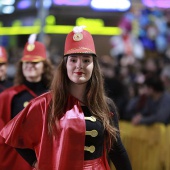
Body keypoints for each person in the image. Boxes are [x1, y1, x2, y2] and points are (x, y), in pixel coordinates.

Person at [0, 26, 132, 170]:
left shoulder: (106, 105)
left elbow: (117, 149)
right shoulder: (45, 103)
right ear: (65, 65)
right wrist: (35, 162)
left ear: (94, 66)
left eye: (86, 60)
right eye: (73, 60)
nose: (79, 66)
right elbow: (14, 135)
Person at [0, 34, 53, 170]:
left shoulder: (55, 96)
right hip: (18, 162)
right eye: (26, 62)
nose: (30, 66)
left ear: (44, 65)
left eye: (35, 62)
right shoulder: (9, 96)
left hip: (50, 158)